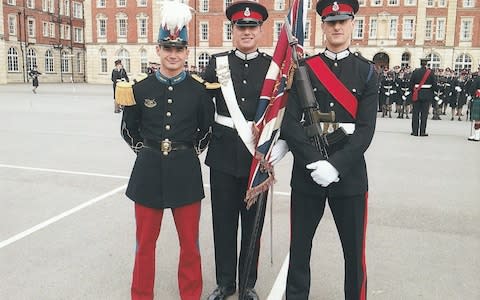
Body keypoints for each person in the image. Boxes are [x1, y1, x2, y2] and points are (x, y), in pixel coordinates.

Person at [280, 0, 378, 299]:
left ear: (352, 24)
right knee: (300, 248)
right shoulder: (304, 69)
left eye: (342, 21)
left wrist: (335, 166)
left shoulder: (368, 72)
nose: (336, 27)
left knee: (353, 252)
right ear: (322, 26)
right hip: (308, 171)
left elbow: (365, 130)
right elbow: (290, 124)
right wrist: (313, 162)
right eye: (330, 21)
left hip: (348, 174)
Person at [118, 2, 214, 299]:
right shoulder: (140, 88)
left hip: (185, 172)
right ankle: (141, 295)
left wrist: (185, 152)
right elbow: (128, 129)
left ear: (187, 52)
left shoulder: (200, 90)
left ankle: (191, 294)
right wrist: (147, 152)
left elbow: (206, 130)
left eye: (179, 49)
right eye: (167, 48)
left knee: (190, 244)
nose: (173, 55)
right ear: (158, 50)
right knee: (144, 244)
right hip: (147, 174)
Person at [201, 1, 270, 299]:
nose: (246, 32)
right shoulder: (216, 64)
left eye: (252, 27)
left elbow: (280, 112)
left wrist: (274, 150)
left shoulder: (272, 67)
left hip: (257, 158)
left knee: (252, 227)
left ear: (260, 30)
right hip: (223, 156)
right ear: (233, 30)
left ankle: (247, 285)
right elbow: (201, 107)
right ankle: (225, 282)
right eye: (241, 27)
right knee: (223, 225)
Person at [409, 57, 436, 136]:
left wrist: (414, 91)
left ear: (420, 63)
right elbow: (434, 85)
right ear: (426, 64)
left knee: (415, 114)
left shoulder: (415, 72)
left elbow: (411, 84)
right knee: (424, 114)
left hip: (417, 94)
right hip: (427, 95)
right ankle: (422, 132)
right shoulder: (430, 72)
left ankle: (414, 131)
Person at [468, 68, 480, 141]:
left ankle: (477, 135)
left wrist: (471, 95)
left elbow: (472, 88)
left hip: (478, 98)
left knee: (477, 118)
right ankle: (477, 134)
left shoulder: (477, 78)